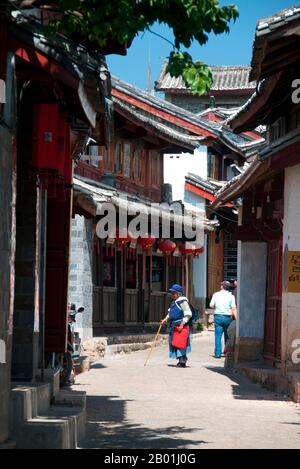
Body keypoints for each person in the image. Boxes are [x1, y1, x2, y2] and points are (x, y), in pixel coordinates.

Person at [161, 284, 192, 368]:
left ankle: (182, 361)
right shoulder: (174, 302)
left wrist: (182, 324)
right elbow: (170, 313)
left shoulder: (182, 302)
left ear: (178, 293)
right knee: (174, 342)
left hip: (180, 325)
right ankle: (180, 360)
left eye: (173, 293)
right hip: (173, 325)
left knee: (180, 343)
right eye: (171, 293)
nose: (172, 294)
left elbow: (188, 314)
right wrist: (165, 319)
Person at [210, 281, 237, 359]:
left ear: (222, 286)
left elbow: (211, 305)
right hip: (227, 317)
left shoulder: (216, 294)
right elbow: (233, 308)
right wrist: (236, 318)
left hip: (218, 316)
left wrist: (217, 307)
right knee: (227, 335)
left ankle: (217, 353)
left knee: (217, 336)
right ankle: (226, 352)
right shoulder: (231, 296)